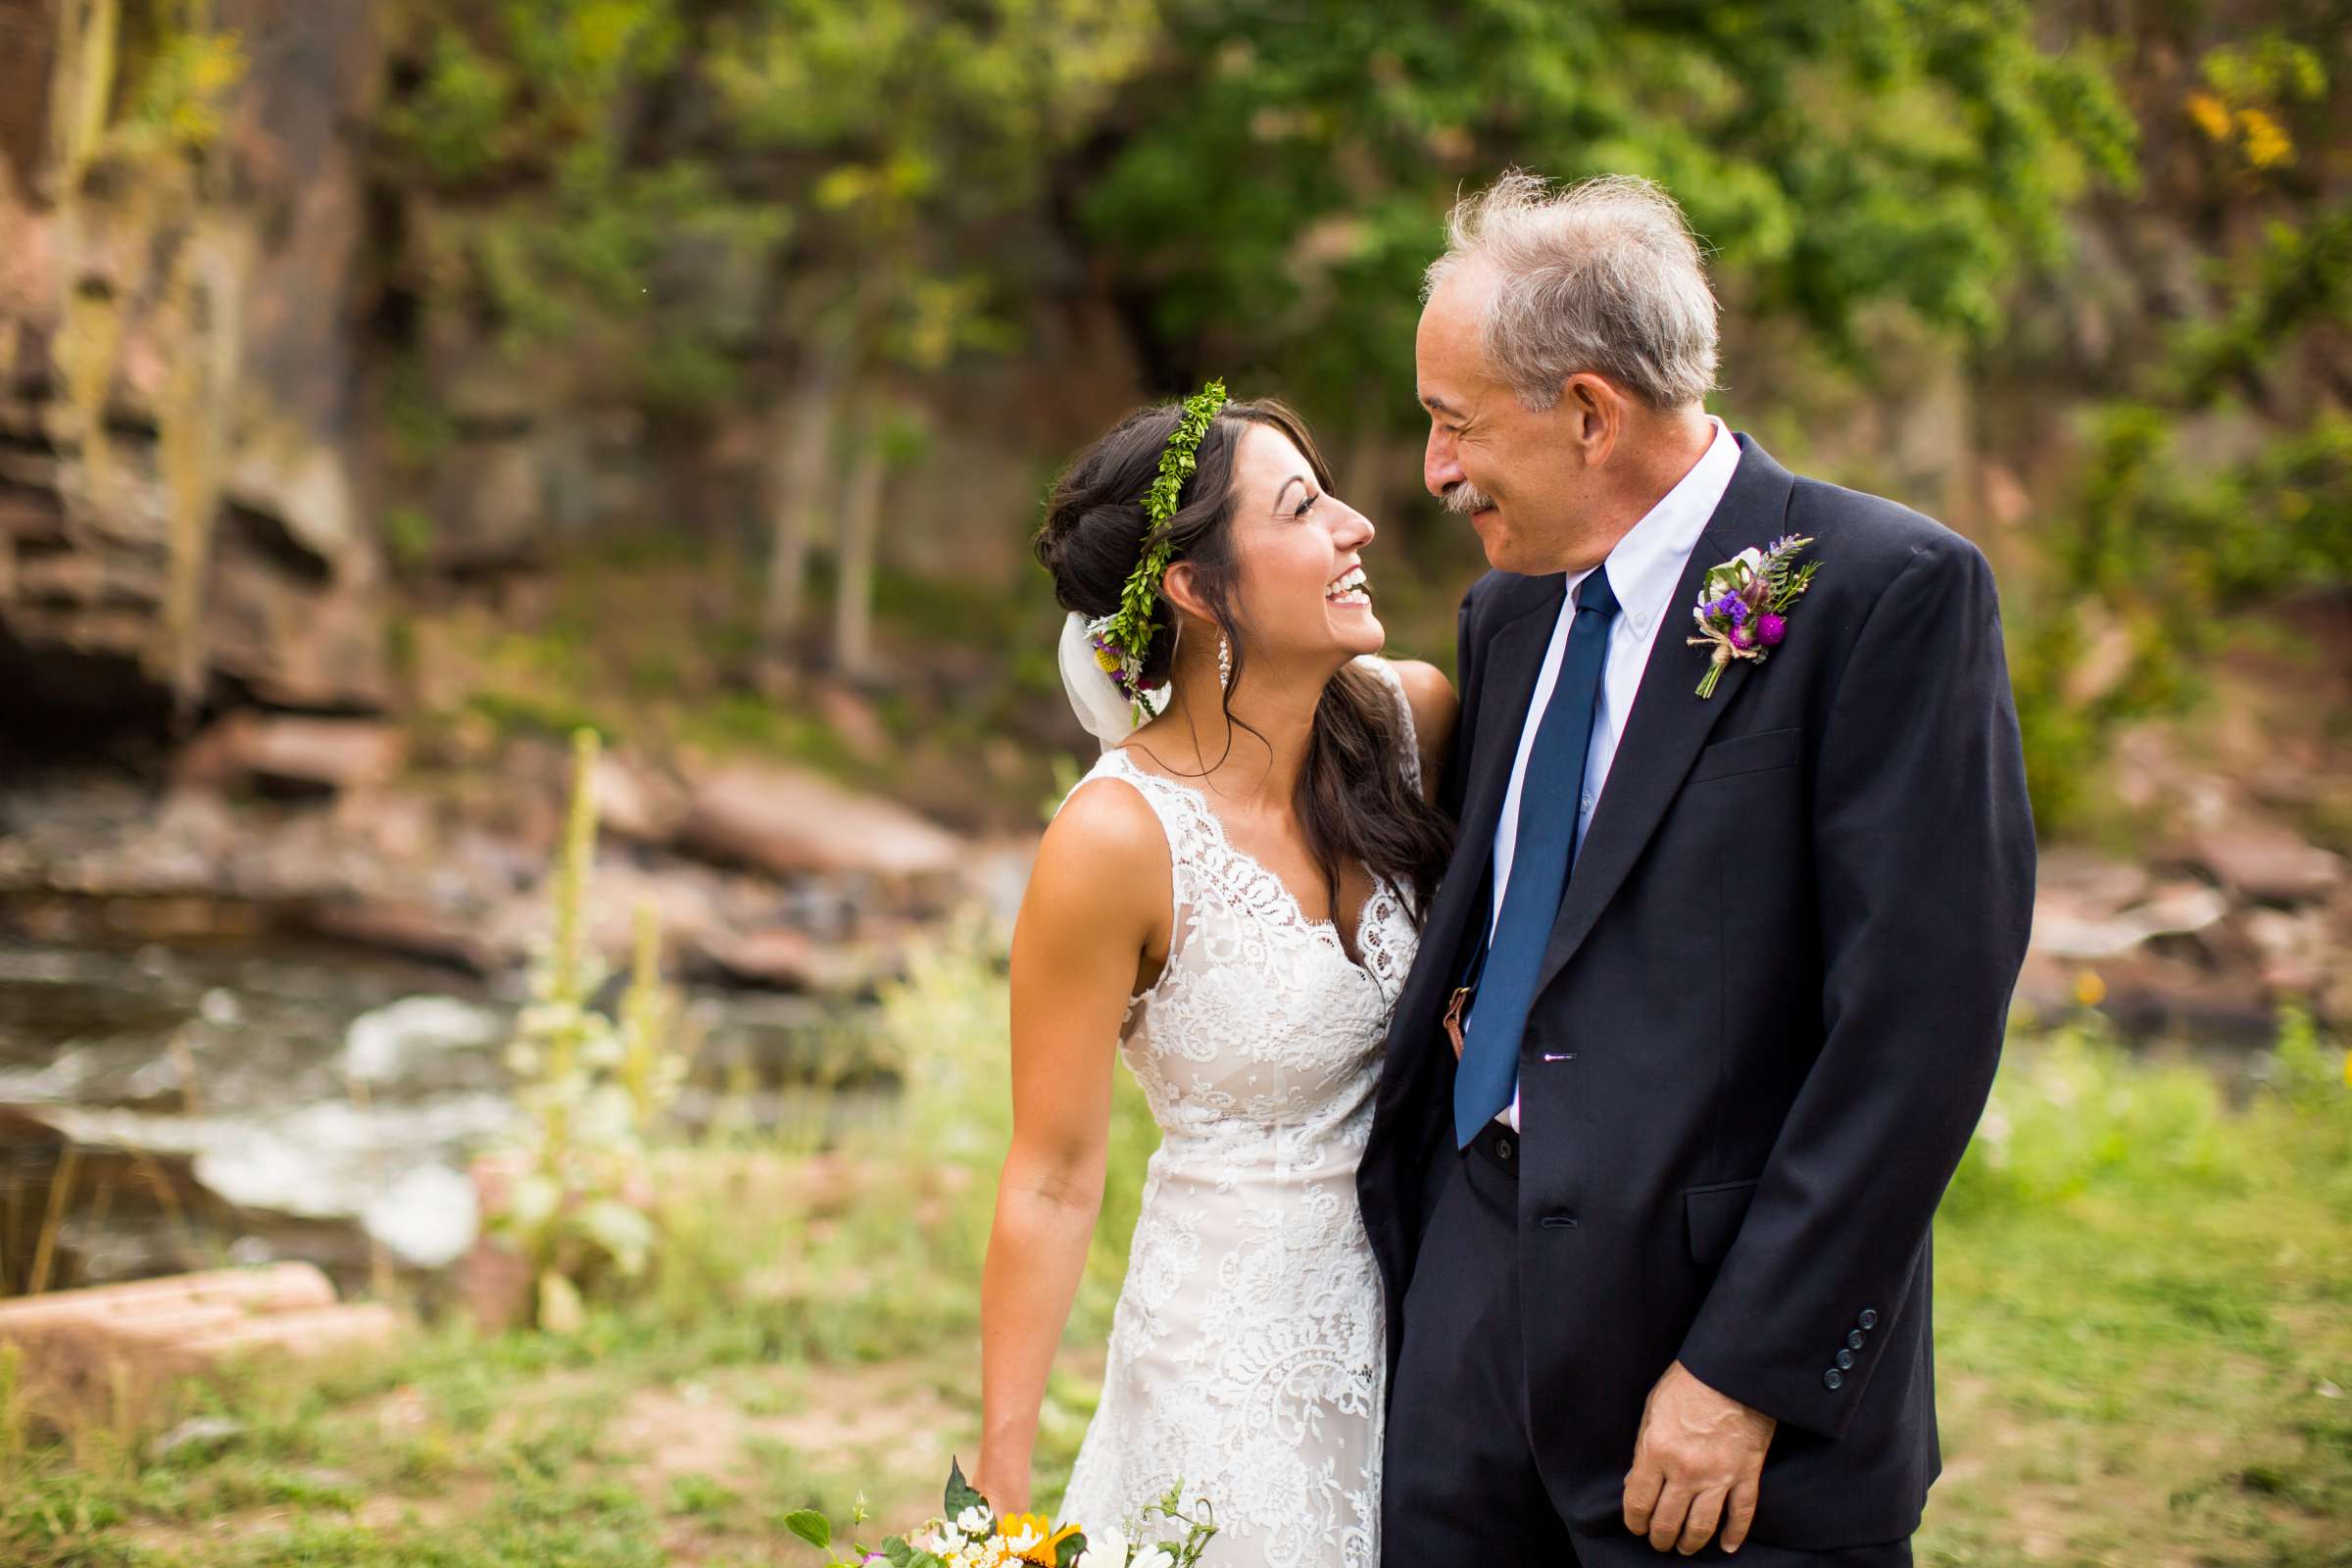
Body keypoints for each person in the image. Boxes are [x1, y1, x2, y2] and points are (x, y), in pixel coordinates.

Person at [1358, 172, 2037, 1565]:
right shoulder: (1506, 615)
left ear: (1592, 413)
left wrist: (1747, 1373)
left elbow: (1919, 1029)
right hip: (1470, 1318)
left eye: (1453, 423)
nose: (1434, 472)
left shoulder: (1886, 594)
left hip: (1712, 1361)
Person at [975, 386, 1456, 1567]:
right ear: (1195, 587)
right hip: (1226, 1359)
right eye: (1302, 508)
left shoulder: (1415, 723)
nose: (1357, 527)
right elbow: (1051, 1175)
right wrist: (994, 1490)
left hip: (1433, 1326)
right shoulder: (1114, 841)